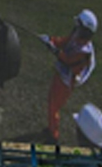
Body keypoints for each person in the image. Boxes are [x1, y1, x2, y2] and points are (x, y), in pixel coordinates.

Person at [40, 9, 97, 143]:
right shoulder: (76, 37)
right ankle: (51, 128)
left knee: (54, 107)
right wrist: (51, 40)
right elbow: (63, 42)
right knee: (51, 102)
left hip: (66, 82)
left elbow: (69, 61)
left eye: (79, 25)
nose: (76, 28)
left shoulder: (84, 52)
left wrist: (53, 50)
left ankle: (53, 135)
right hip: (60, 75)